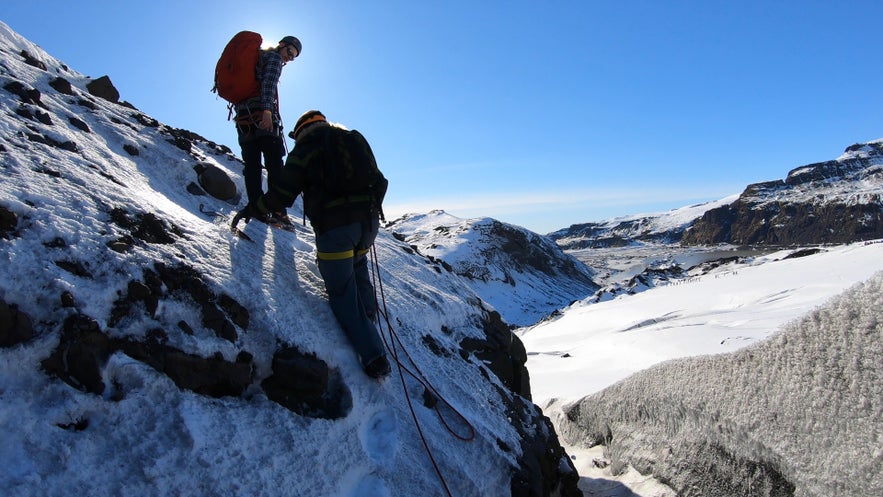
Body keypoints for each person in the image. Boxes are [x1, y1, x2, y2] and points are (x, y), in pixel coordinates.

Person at [232, 110, 391, 379]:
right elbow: (380, 180)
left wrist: (254, 208)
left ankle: (374, 357)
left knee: (341, 291)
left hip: (336, 229)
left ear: (302, 131)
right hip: (369, 224)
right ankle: (367, 318)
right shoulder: (354, 139)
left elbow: (282, 194)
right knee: (359, 263)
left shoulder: (306, 149)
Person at [233, 35, 301, 223]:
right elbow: (269, 85)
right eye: (289, 52)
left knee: (252, 165)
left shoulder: (258, 58)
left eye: (293, 57)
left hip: (243, 118)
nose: (289, 58)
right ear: (281, 45)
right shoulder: (274, 58)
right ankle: (277, 210)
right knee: (274, 163)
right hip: (262, 117)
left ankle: (257, 207)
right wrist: (267, 112)